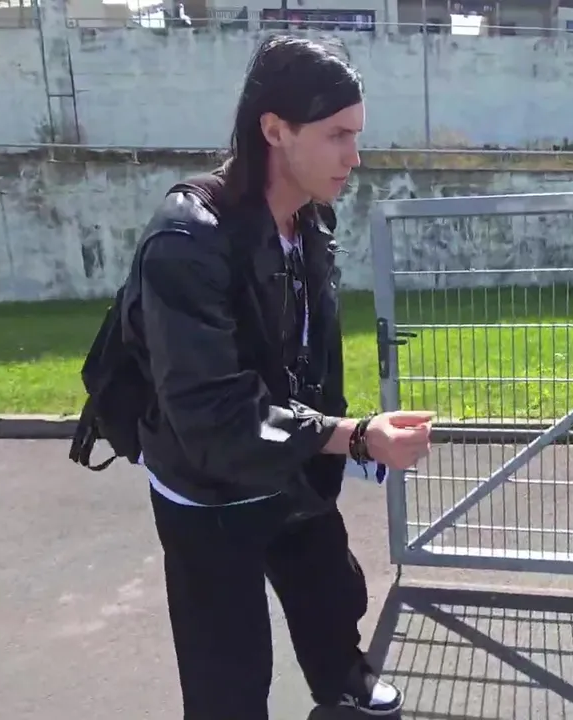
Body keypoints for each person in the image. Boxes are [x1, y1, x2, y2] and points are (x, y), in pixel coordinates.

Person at [119, 36, 432, 718]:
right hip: (208, 488)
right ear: (274, 130)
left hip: (290, 459)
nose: (354, 155)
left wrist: (333, 440)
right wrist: (354, 437)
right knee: (227, 666)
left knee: (329, 590)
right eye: (337, 135)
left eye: (357, 134)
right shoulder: (186, 239)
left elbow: (313, 351)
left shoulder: (310, 218)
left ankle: (341, 676)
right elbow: (214, 418)